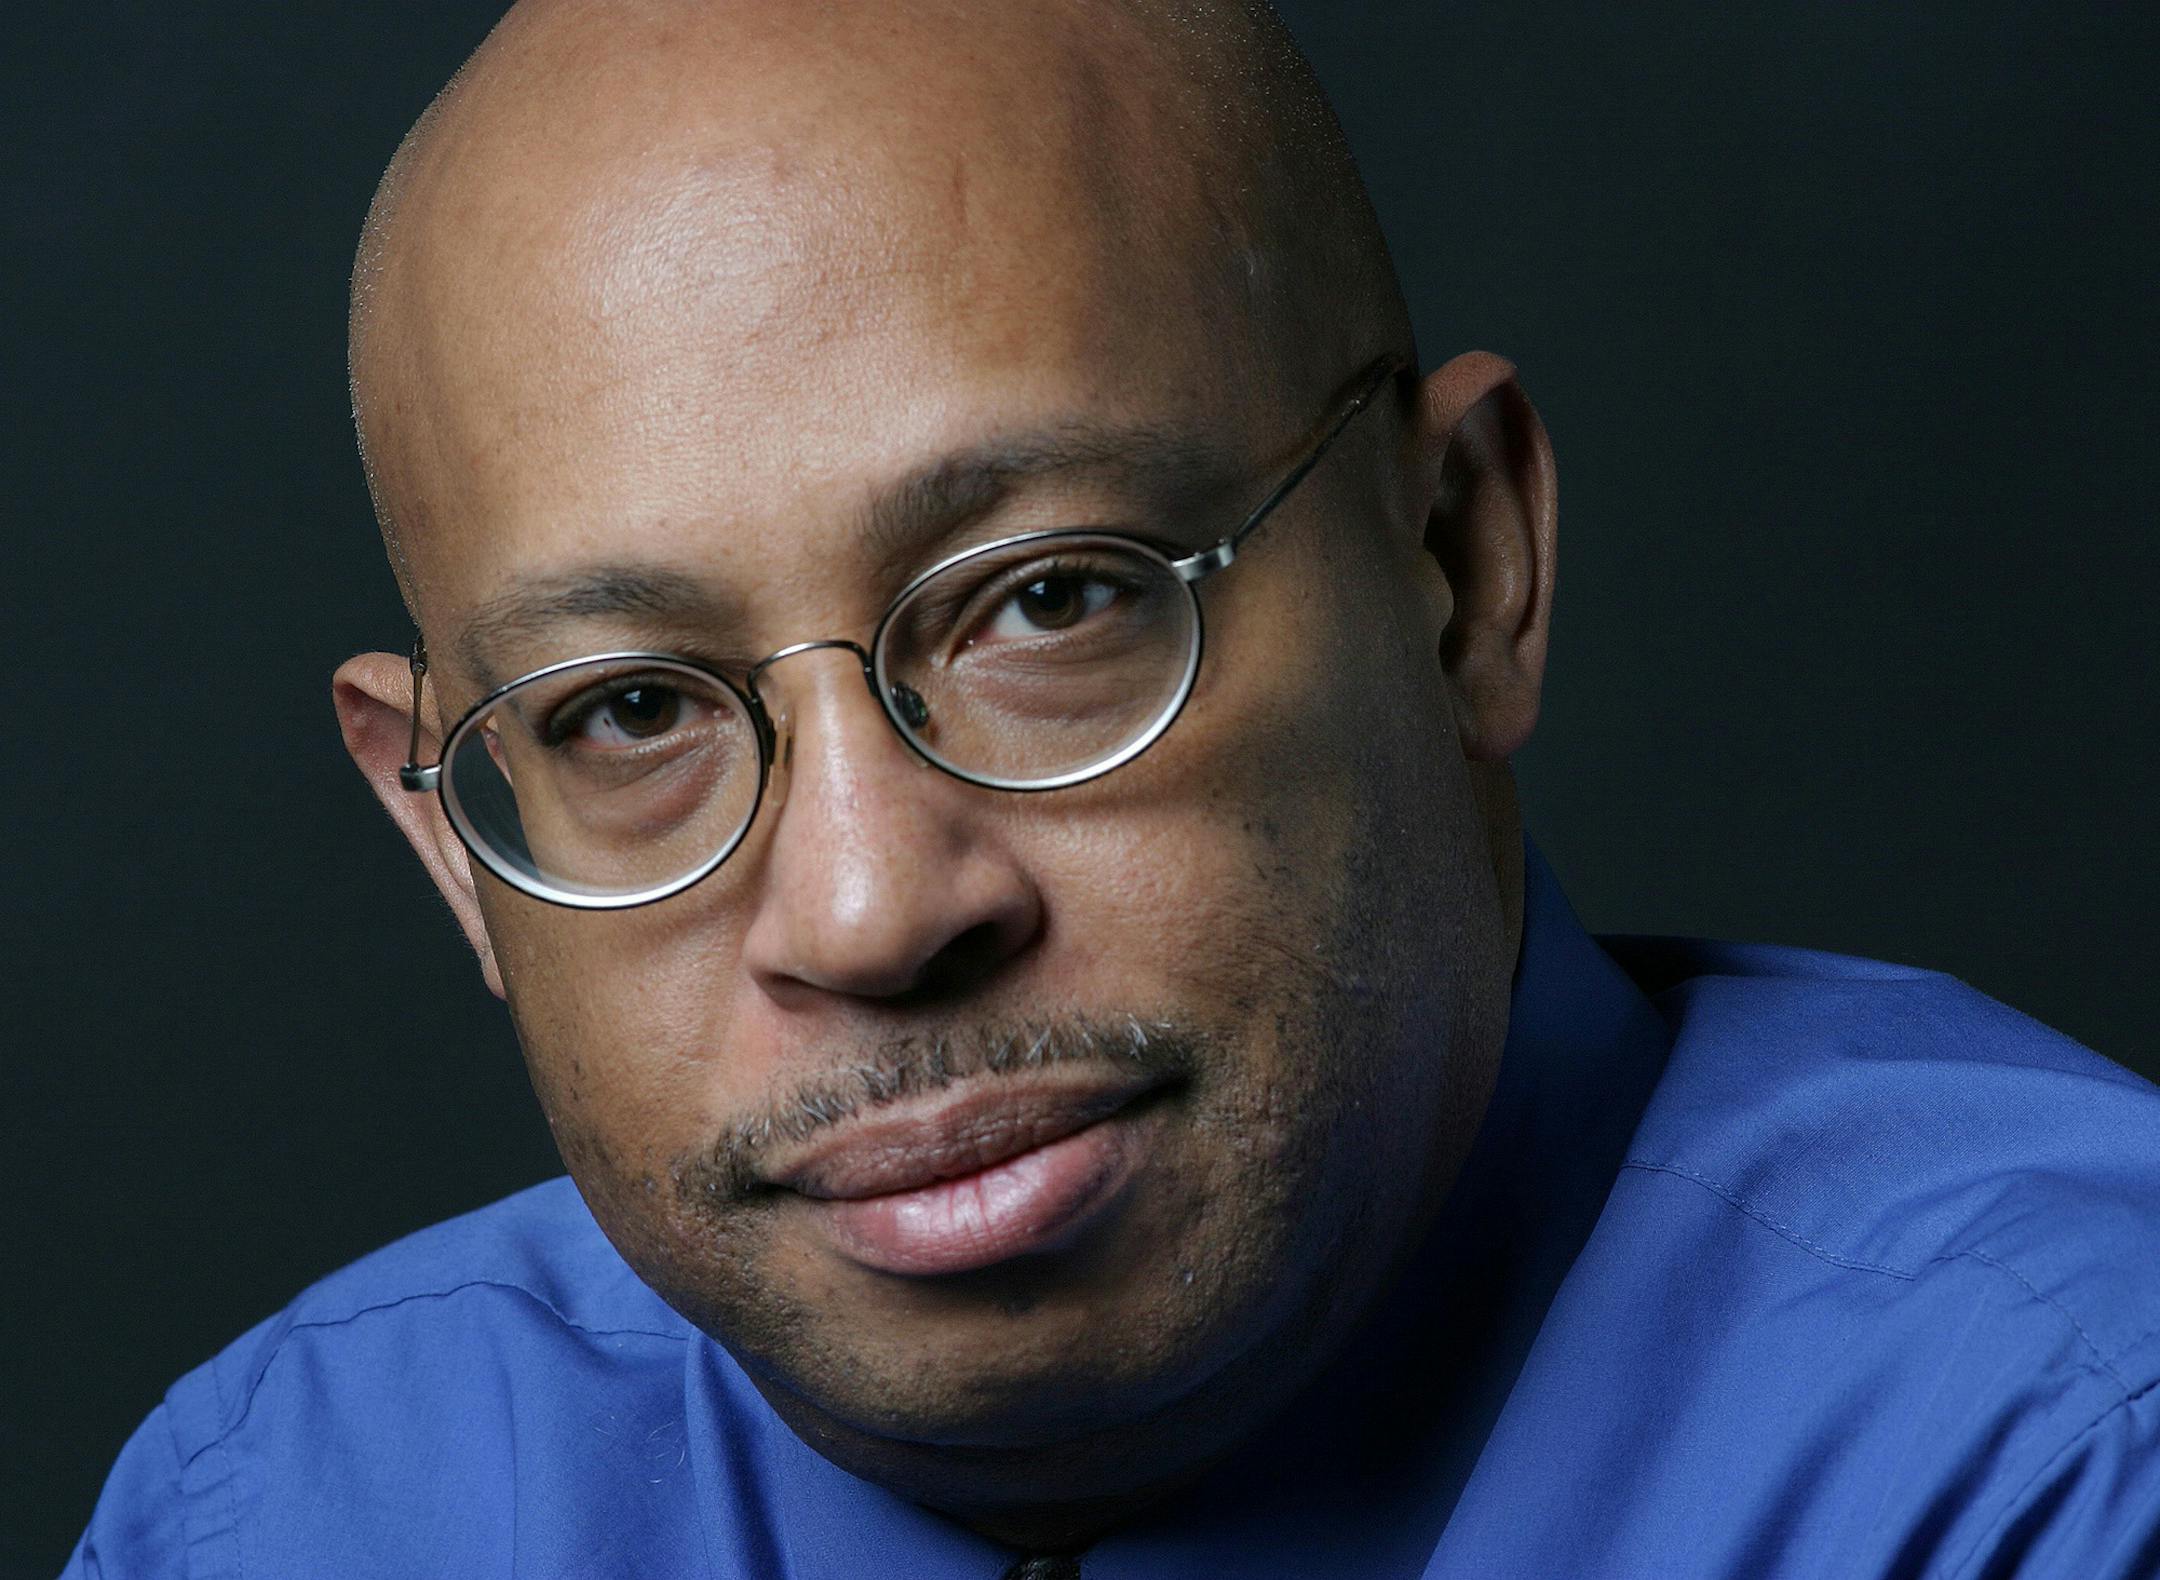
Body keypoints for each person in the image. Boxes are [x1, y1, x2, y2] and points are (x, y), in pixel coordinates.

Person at [67, 1, 2160, 1575]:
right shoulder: (295, 1507)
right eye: (629, 715)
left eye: (1053, 597)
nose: (873, 909)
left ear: (1462, 569)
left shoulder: (2063, 1461)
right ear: (451, 833)